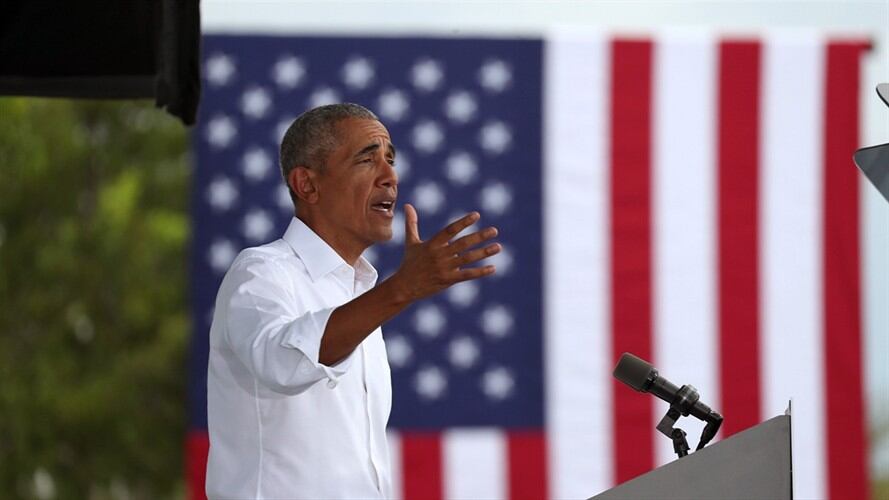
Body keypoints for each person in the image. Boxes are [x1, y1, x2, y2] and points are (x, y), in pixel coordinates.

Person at [205, 103, 501, 499]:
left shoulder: (359, 295)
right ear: (307, 185)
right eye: (367, 159)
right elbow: (283, 363)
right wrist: (402, 288)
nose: (390, 176)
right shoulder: (262, 272)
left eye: (390, 160)